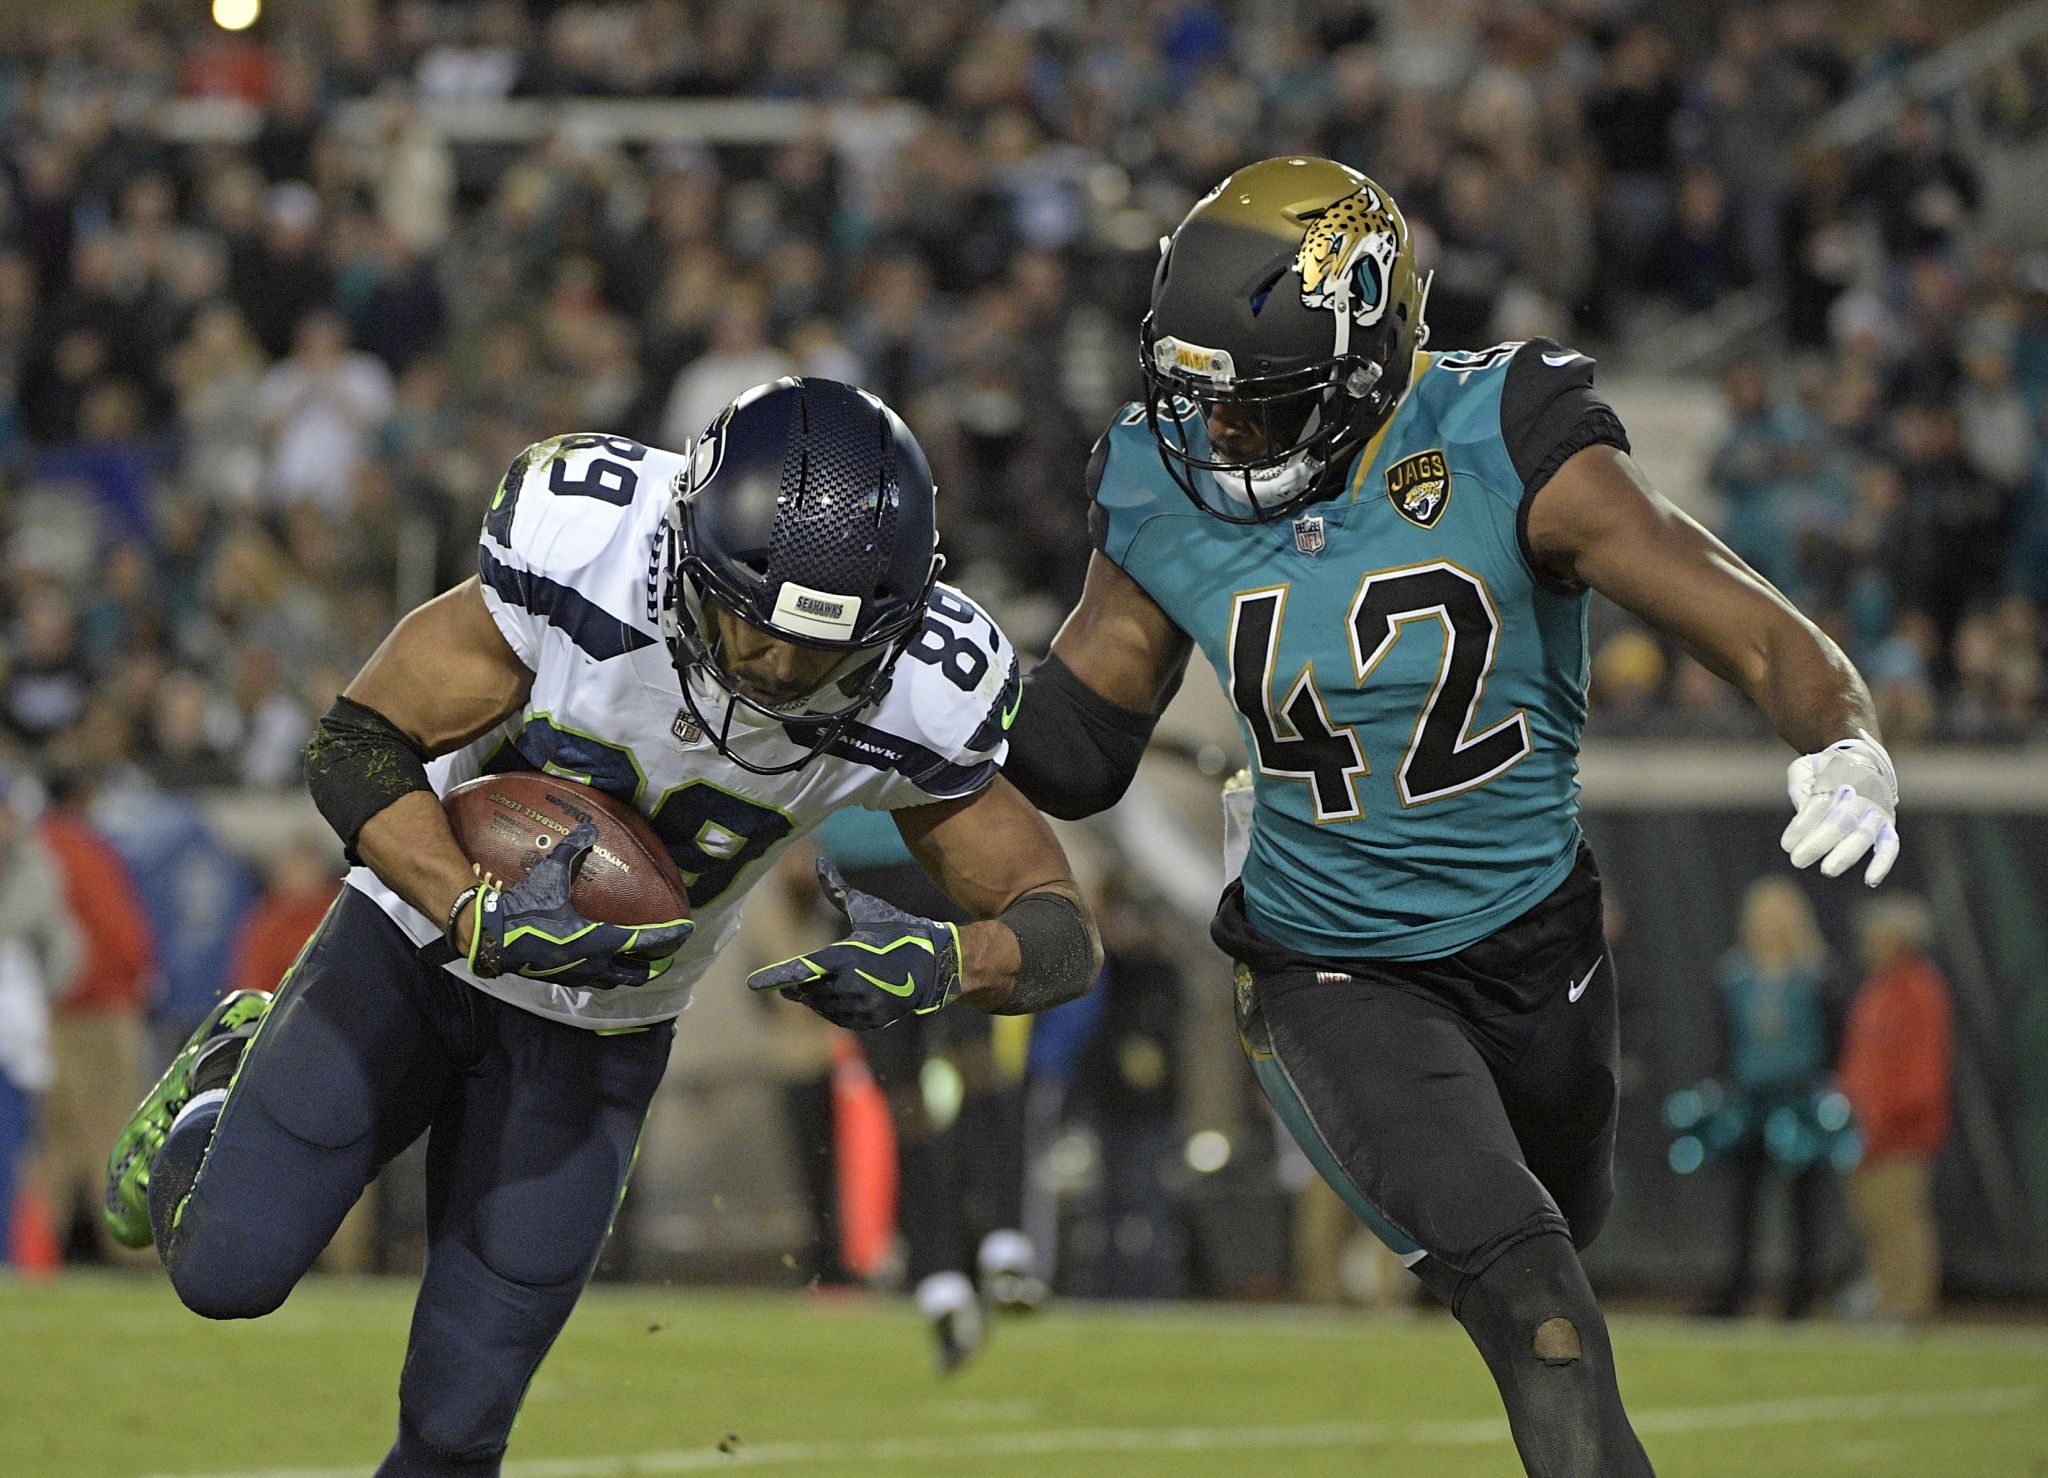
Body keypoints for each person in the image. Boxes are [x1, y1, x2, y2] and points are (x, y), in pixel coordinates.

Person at [1002, 157, 1903, 1478]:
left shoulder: (1507, 437)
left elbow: (1757, 629)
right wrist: (943, 680)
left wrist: (1842, 740)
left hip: (1536, 948)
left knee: (1565, 1219)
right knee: (1538, 1309)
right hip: (1332, 967)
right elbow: (1073, 754)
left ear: (1367, 358)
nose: (1222, 438)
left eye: (1260, 406)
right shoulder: (1158, 481)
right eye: (1204, 400)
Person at [103, 377, 1100, 1477]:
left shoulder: (923, 688)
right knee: (225, 1270)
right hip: (412, 944)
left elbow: (1056, 926)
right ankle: (223, 1067)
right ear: (685, 558)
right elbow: (357, 740)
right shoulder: (593, 548)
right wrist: (469, 911)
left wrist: (955, 960)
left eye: (818, 658)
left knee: (457, 1423)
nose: (773, 675)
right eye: (751, 629)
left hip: (601, 1025)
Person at [1697, 878, 1843, 1319]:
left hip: (1800, 1102)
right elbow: (1724, 1039)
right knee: (1743, 1202)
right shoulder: (1735, 975)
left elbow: (1835, 1038)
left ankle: (1801, 1295)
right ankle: (1735, 1291)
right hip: (1747, 1103)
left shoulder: (1817, 974)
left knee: (1804, 1204)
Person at [1838, 894, 1952, 1321]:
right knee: (1876, 1222)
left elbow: (1923, 1067)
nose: (1867, 942)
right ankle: (1887, 1298)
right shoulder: (1878, 988)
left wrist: (1893, 1119)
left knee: (1902, 1221)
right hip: (1867, 1131)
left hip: (1899, 1132)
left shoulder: (1917, 989)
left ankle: (1908, 1303)